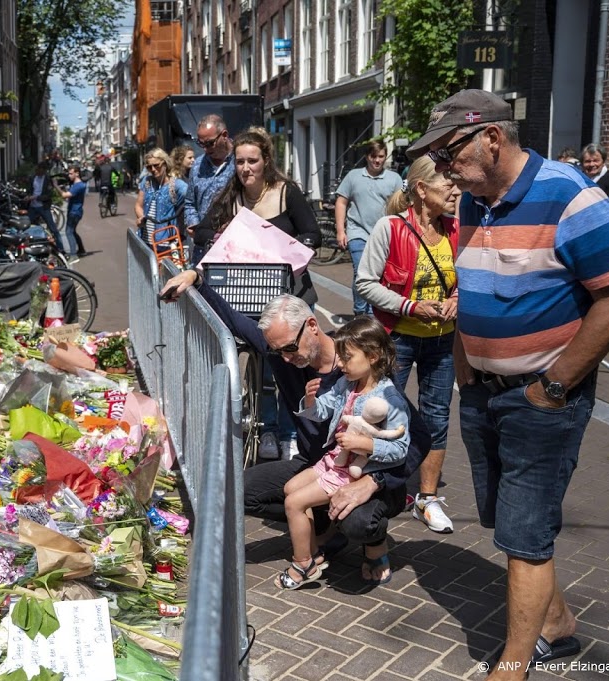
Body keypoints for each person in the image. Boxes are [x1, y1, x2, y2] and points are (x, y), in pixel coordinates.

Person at [406, 88, 609, 680]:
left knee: (526, 534)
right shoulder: (477, 200)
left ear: (492, 139)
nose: (445, 170)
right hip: (483, 391)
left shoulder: (573, 197)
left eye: (450, 153)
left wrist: (555, 385)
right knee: (506, 520)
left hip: (542, 398)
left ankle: (514, 664)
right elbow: (471, 287)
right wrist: (465, 359)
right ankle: (557, 627)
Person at [158, 275, 432, 585]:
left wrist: (375, 481)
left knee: (358, 521)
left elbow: (418, 439)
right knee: (238, 490)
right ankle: (324, 530)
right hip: (318, 466)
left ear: (312, 326)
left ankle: (372, 543)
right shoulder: (281, 350)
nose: (286, 358)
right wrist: (196, 279)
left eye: (290, 348)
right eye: (279, 351)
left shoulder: (360, 370)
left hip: (365, 472)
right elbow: (234, 321)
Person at [194, 126, 322, 459]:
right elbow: (202, 231)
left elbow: (312, 233)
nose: (245, 168)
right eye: (240, 162)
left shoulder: (286, 192)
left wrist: (294, 250)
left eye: (252, 161)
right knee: (264, 360)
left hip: (288, 294)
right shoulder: (231, 195)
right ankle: (267, 429)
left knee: (291, 364)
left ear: (266, 161)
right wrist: (218, 233)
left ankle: (291, 430)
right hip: (248, 292)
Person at [356, 156, 460, 534]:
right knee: (383, 414)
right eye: (446, 183)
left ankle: (427, 499)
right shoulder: (390, 227)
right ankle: (381, 489)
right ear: (420, 189)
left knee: (437, 417)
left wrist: (457, 300)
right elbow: (365, 283)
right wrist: (411, 306)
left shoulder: (456, 229)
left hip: (441, 341)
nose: (455, 189)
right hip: (397, 339)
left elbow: (466, 278)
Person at [277, 316, 410, 590]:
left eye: (347, 357)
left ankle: (302, 565)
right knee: (291, 490)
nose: (339, 364)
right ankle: (314, 554)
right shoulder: (347, 384)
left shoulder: (390, 399)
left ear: (372, 356)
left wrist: (365, 446)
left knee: (294, 504)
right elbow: (322, 411)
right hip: (333, 461)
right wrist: (311, 401)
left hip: (349, 471)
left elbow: (400, 448)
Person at [334, 141, 403, 316]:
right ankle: (360, 312)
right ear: (367, 157)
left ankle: (373, 312)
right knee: (361, 272)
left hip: (384, 234)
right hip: (357, 232)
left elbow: (400, 205)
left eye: (381, 156)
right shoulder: (353, 176)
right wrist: (341, 231)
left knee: (379, 275)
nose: (377, 161)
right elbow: (341, 202)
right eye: (374, 157)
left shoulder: (394, 179)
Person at [183, 114, 235, 262]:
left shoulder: (240, 161)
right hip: (203, 248)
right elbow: (190, 202)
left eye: (210, 143)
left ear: (224, 135)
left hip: (232, 249)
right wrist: (193, 222)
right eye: (201, 144)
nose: (206, 149)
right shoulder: (198, 165)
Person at [134, 148, 188, 260]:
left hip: (165, 243)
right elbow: (138, 205)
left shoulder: (177, 185)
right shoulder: (147, 181)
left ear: (165, 163)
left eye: (156, 165)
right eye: (149, 167)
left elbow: (192, 202)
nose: (153, 169)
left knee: (164, 275)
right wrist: (141, 217)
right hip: (146, 240)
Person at [26, 163, 66, 253]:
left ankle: (61, 249)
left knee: (53, 228)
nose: (37, 172)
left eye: (39, 170)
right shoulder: (33, 178)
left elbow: (48, 195)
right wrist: (28, 196)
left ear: (43, 171)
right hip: (32, 207)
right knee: (27, 226)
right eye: (36, 170)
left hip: (43, 207)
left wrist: (36, 197)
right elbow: (29, 190)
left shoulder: (48, 179)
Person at [580, 142, 609, 216]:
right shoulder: (578, 178)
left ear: (603, 162)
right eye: (587, 161)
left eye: (596, 161)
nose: (592, 164)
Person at [58, 166, 87, 258]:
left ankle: (73, 255)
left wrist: (55, 186)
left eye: (71, 173)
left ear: (77, 173)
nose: (69, 176)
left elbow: (65, 195)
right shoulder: (75, 184)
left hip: (75, 212)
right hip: (74, 211)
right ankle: (81, 250)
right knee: (73, 231)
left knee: (68, 232)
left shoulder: (79, 185)